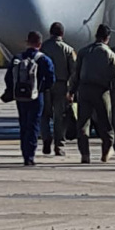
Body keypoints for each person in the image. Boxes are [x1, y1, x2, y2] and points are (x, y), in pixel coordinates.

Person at [2, 31, 56, 166]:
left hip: (20, 97)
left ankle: (24, 152)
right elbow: (51, 79)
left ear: (27, 42)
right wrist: (42, 89)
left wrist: (13, 90)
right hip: (36, 96)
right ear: (40, 43)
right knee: (33, 125)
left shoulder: (17, 58)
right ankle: (30, 156)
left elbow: (8, 77)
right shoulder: (44, 59)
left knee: (24, 125)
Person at [69, 24, 115, 163]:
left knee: (83, 124)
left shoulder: (84, 51)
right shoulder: (110, 54)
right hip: (101, 91)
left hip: (84, 90)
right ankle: (106, 151)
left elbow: (76, 74)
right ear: (107, 38)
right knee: (105, 123)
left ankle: (85, 154)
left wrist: (71, 91)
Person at [40, 22, 77, 156]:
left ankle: (46, 137)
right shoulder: (68, 49)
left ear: (50, 33)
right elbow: (74, 71)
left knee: (44, 114)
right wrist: (71, 90)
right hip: (62, 85)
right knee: (60, 117)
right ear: (62, 34)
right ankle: (59, 145)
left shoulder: (44, 47)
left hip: (45, 86)